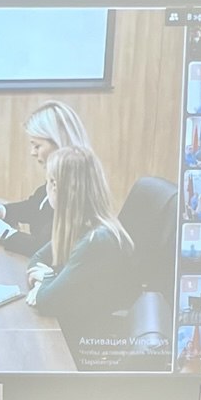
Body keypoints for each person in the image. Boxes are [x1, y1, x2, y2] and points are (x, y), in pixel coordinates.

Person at [24, 147, 138, 365]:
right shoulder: (81, 223)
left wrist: (45, 279)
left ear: (55, 186)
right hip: (78, 322)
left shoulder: (96, 240)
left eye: (48, 181)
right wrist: (48, 281)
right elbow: (37, 259)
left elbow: (45, 301)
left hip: (87, 344)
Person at [0, 100, 92, 256]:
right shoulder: (64, 175)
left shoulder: (75, 186)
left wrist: (6, 234)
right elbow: (36, 207)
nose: (32, 152)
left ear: (58, 143)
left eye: (37, 146)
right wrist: (2, 211)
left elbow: (47, 249)